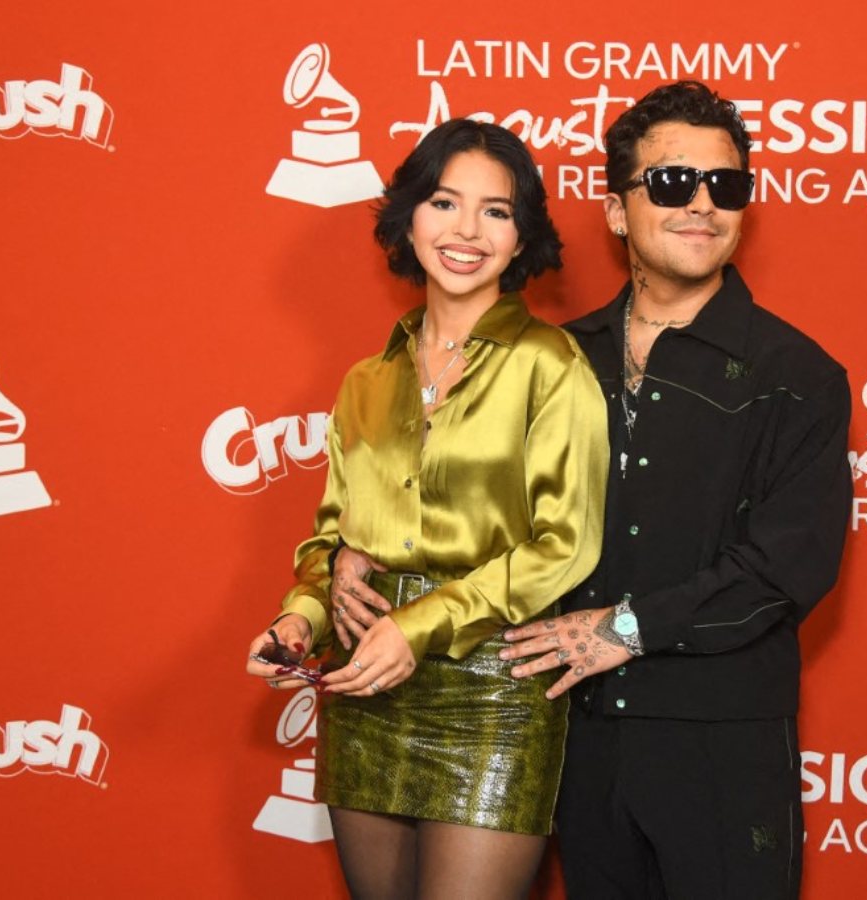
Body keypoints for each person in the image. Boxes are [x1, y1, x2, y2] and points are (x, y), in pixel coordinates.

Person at [501, 81, 853, 899]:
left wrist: (627, 627)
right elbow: (478, 511)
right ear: (618, 210)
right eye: (670, 183)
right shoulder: (558, 359)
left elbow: (786, 567)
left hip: (720, 743)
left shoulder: (796, 376)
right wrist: (351, 554)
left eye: (726, 187)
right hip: (577, 736)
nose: (702, 205)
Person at [246, 119, 608, 900]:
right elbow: (331, 541)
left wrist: (420, 623)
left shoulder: (551, 366)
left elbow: (565, 544)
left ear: (522, 240)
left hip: (493, 685)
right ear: (409, 217)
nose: (466, 230)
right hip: (363, 681)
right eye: (445, 202)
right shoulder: (365, 382)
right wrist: (299, 619)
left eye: (496, 211)